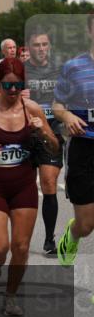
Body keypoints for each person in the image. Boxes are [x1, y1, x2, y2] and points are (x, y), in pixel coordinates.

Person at [0, 58, 58, 317]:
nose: (13, 91)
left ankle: (11, 296)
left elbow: (55, 147)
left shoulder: (33, 109)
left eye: (18, 86)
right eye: (7, 85)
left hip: (24, 185)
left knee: (22, 247)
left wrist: (44, 132)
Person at [54, 13, 94, 266]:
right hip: (83, 148)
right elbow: (57, 104)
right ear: (90, 31)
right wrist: (67, 115)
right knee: (87, 224)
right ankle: (73, 232)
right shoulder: (74, 67)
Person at [23, 28, 65, 254]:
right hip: (24, 134)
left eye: (44, 44)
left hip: (51, 131)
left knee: (48, 182)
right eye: (36, 45)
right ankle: (21, 235)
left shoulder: (60, 71)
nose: (40, 49)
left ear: (49, 46)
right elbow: (1, 95)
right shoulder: (20, 71)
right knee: (24, 187)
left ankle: (49, 240)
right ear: (28, 48)